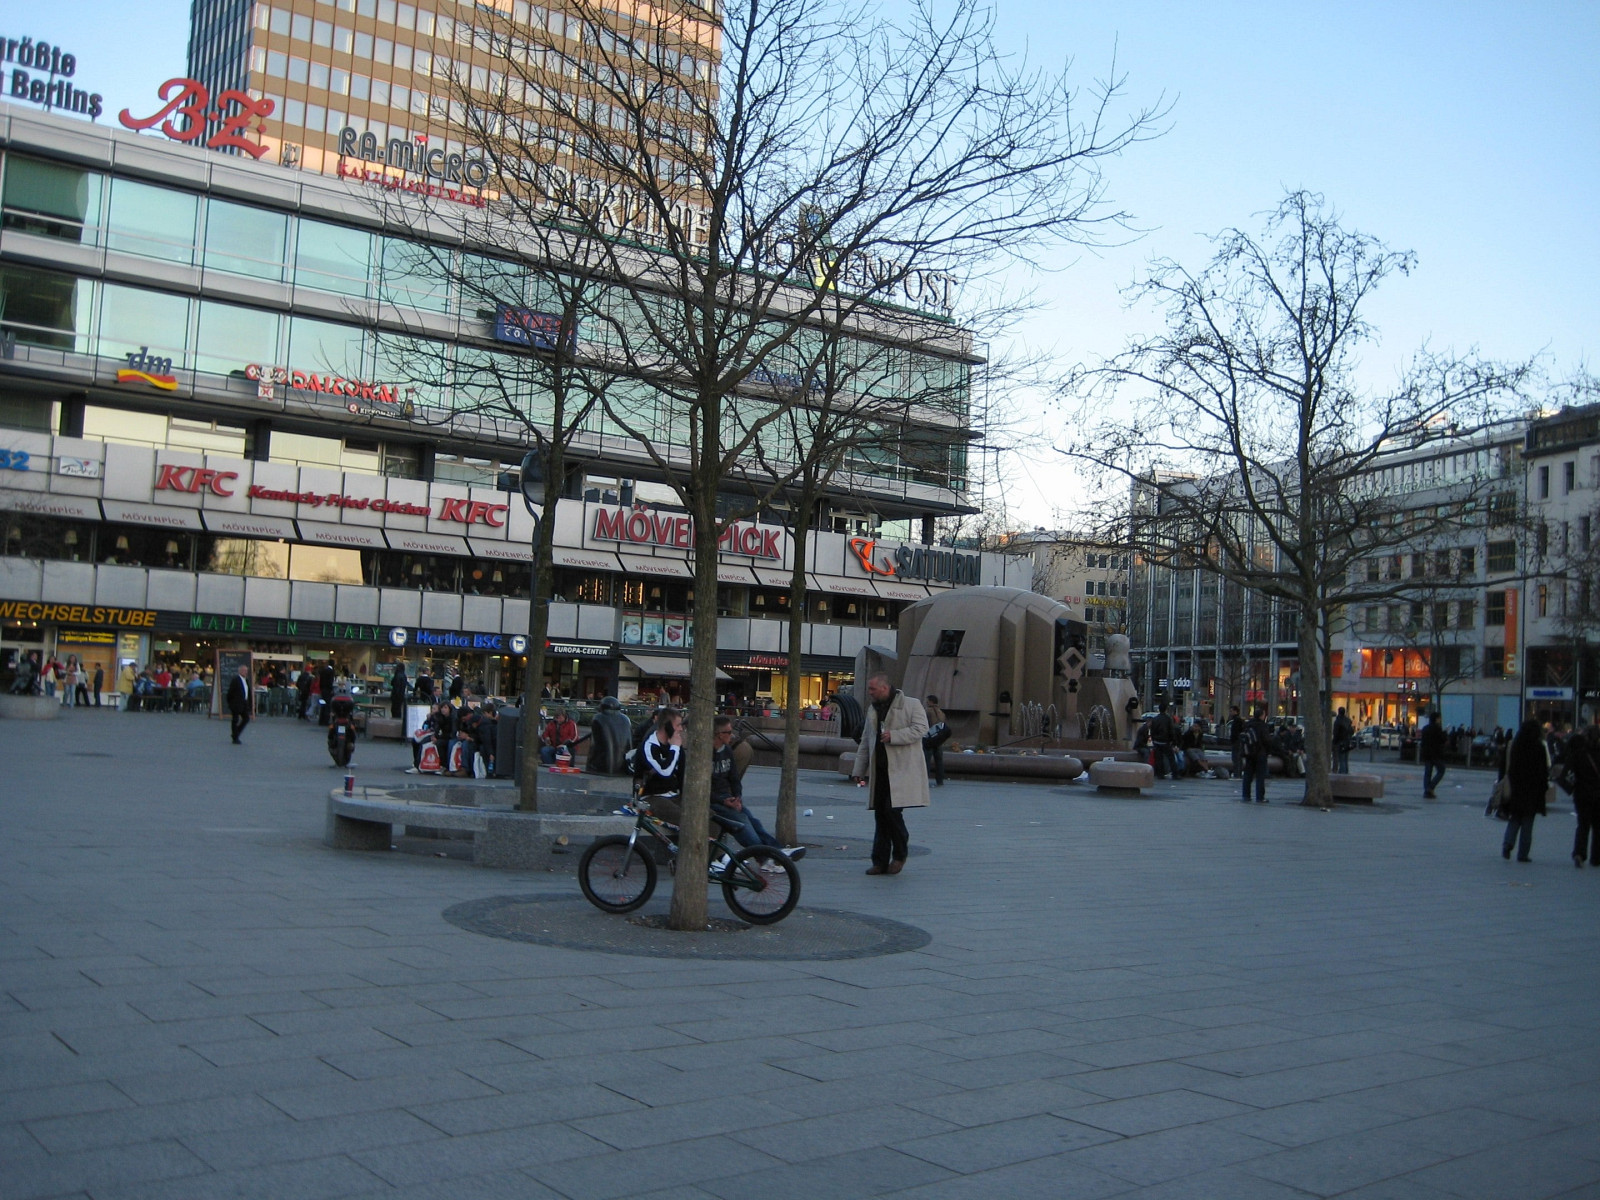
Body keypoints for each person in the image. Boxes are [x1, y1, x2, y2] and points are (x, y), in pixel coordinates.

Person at [850, 674, 929, 876]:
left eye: (872, 689)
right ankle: (879, 861)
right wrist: (859, 770)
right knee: (880, 815)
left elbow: (921, 728)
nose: (869, 693)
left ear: (884, 688)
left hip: (901, 770)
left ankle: (900, 854)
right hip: (880, 772)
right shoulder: (873, 709)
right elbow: (866, 741)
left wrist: (895, 736)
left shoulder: (911, 704)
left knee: (891, 812)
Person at [709, 716, 804, 860]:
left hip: (727, 798)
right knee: (742, 822)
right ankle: (767, 858)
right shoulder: (707, 754)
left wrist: (737, 797)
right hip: (714, 801)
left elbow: (734, 778)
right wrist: (723, 801)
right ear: (719, 735)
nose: (732, 735)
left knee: (753, 822)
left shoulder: (727, 750)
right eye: (728, 732)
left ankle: (777, 851)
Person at [1499, 718, 1549, 862]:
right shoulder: (1539, 747)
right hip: (1532, 789)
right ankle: (1523, 854)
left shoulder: (1516, 745)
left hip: (1516, 787)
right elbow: (1543, 771)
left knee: (1515, 818)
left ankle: (1507, 843)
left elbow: (1507, 766)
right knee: (1528, 822)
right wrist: (1543, 787)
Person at [633, 708, 685, 823]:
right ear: (667, 726)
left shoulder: (676, 745)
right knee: (683, 818)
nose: (681, 729)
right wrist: (675, 748)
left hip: (673, 794)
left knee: (708, 815)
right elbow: (665, 772)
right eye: (678, 725)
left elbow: (682, 773)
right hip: (652, 796)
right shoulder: (649, 746)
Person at [1569, 723, 1600, 868]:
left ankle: (1579, 853)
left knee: (1582, 825)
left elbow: (1570, 773)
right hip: (1598, 795)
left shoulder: (1579, 754)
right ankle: (1596, 857)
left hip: (1582, 794)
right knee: (1598, 827)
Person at [1240, 704, 1273, 803]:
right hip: (1260, 753)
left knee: (1247, 775)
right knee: (1260, 776)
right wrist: (1268, 751)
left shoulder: (1248, 724)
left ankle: (1246, 795)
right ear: (1262, 715)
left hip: (1249, 753)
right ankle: (1260, 797)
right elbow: (1267, 740)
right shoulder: (1262, 726)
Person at [922, 694, 950, 787]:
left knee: (926, 760)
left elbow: (923, 724)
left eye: (927, 701)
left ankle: (925, 781)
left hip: (929, 738)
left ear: (930, 702)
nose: (926, 702)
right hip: (939, 739)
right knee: (939, 760)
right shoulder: (941, 712)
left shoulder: (927, 711)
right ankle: (940, 780)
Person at [1420, 711, 1447, 798]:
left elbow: (1423, 742)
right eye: (1439, 718)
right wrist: (1445, 733)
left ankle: (1427, 790)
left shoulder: (1425, 728)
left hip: (1426, 753)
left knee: (1428, 772)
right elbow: (1442, 740)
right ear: (1436, 719)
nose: (1440, 720)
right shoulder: (1437, 729)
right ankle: (1430, 787)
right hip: (1436, 753)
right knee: (1441, 770)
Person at [1150, 701, 1178, 779]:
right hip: (1166, 741)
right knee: (1171, 758)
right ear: (1166, 709)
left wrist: (1154, 739)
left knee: (1159, 759)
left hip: (1157, 741)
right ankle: (1175, 774)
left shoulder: (1155, 719)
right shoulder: (1168, 719)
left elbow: (1152, 731)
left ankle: (1160, 774)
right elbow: (1171, 731)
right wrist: (1174, 741)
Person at [226, 662, 252, 744]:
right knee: (235, 720)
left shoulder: (246, 680)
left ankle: (236, 732)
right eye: (244, 670)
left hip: (244, 703)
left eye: (246, 671)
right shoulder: (236, 680)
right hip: (236, 703)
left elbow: (248, 692)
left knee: (246, 718)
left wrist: (250, 703)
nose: (246, 672)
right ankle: (235, 737)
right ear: (240, 671)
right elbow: (230, 692)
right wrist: (230, 703)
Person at [1332, 706, 1354, 775]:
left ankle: (1342, 773)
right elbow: (1351, 731)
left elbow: (1335, 733)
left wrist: (1334, 741)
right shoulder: (1348, 721)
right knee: (1345, 758)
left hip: (1340, 741)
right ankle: (1346, 771)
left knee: (1341, 758)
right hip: (1347, 741)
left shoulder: (1338, 721)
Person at [316, 661, 336, 726]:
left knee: (323, 705)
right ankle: (326, 720)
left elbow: (321, 681)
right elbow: (330, 682)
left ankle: (321, 720)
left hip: (323, 690)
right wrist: (331, 689)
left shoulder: (323, 670)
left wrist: (321, 688)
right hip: (328, 690)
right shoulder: (331, 671)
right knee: (328, 706)